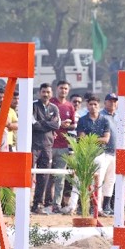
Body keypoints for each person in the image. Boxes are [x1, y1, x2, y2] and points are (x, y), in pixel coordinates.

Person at [76, 95, 116, 216]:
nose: (93, 107)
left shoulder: (106, 119)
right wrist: (98, 139)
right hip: (92, 154)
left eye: (95, 104)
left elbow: (106, 139)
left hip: (111, 153)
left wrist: (91, 138)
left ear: (99, 105)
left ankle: (106, 207)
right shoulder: (83, 120)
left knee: (110, 181)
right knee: (95, 182)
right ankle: (93, 208)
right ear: (87, 106)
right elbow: (81, 138)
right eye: (91, 104)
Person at [30, 84, 61, 214]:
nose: (46, 94)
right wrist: (48, 125)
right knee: (27, 174)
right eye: (43, 92)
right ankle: (21, 203)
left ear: (51, 93)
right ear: (39, 92)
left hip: (47, 146)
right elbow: (33, 124)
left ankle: (37, 205)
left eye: (48, 92)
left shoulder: (54, 107)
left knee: (44, 177)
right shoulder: (33, 105)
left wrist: (42, 123)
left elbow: (57, 125)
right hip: (33, 145)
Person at [48, 80, 76, 213]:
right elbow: (45, 122)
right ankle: (44, 202)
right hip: (49, 145)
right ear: (56, 89)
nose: (63, 91)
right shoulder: (50, 103)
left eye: (65, 88)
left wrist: (67, 125)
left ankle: (57, 204)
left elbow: (73, 125)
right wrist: (59, 124)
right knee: (46, 176)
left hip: (63, 146)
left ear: (68, 91)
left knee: (60, 178)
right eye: (61, 88)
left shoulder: (70, 106)